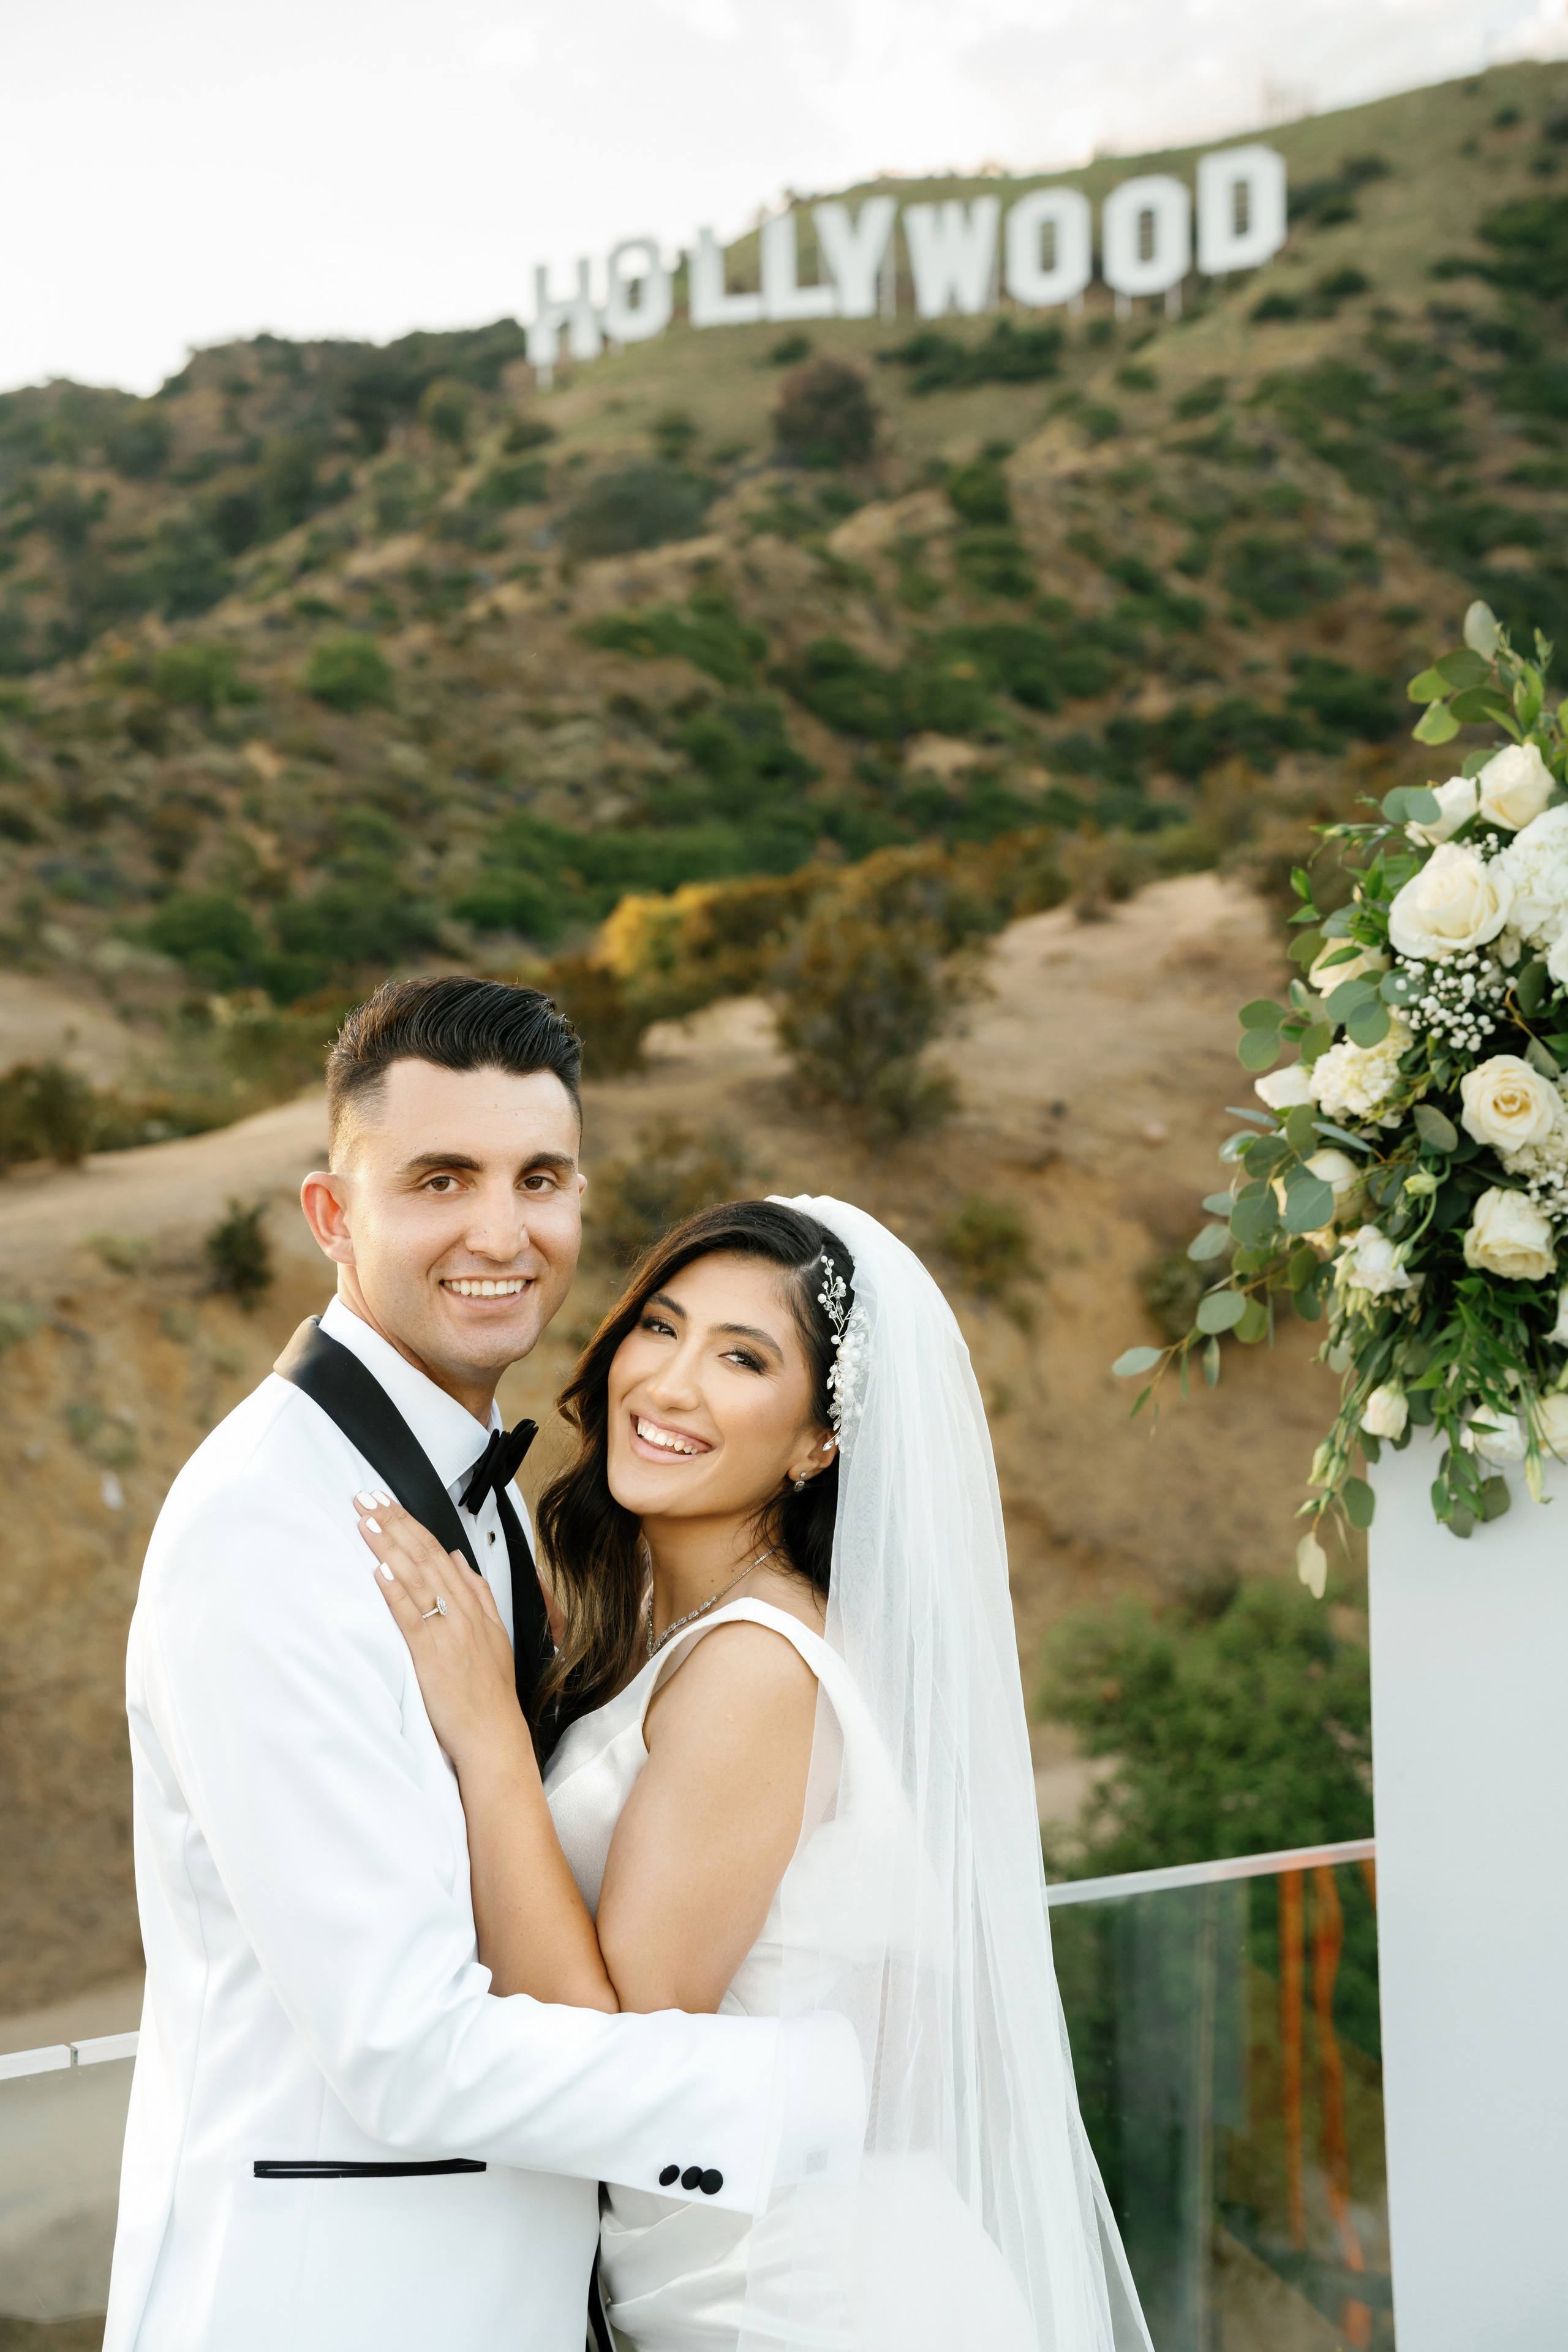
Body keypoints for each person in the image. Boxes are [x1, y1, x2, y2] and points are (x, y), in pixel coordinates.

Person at [106, 981, 859, 2352]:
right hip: (335, 2306)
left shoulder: (489, 1499)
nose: (501, 1234)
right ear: (333, 1217)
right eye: (440, 1180)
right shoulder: (264, 1530)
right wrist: (800, 2094)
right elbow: (400, 2039)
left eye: (541, 1179)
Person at [356, 1193, 1153, 2352]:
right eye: (661, 1327)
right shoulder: (665, 1630)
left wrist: (487, 1740)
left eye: (743, 1359)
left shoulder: (755, 1670)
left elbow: (622, 2050)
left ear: (819, 1440)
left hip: (802, 2298)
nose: (672, 1385)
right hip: (709, 2268)